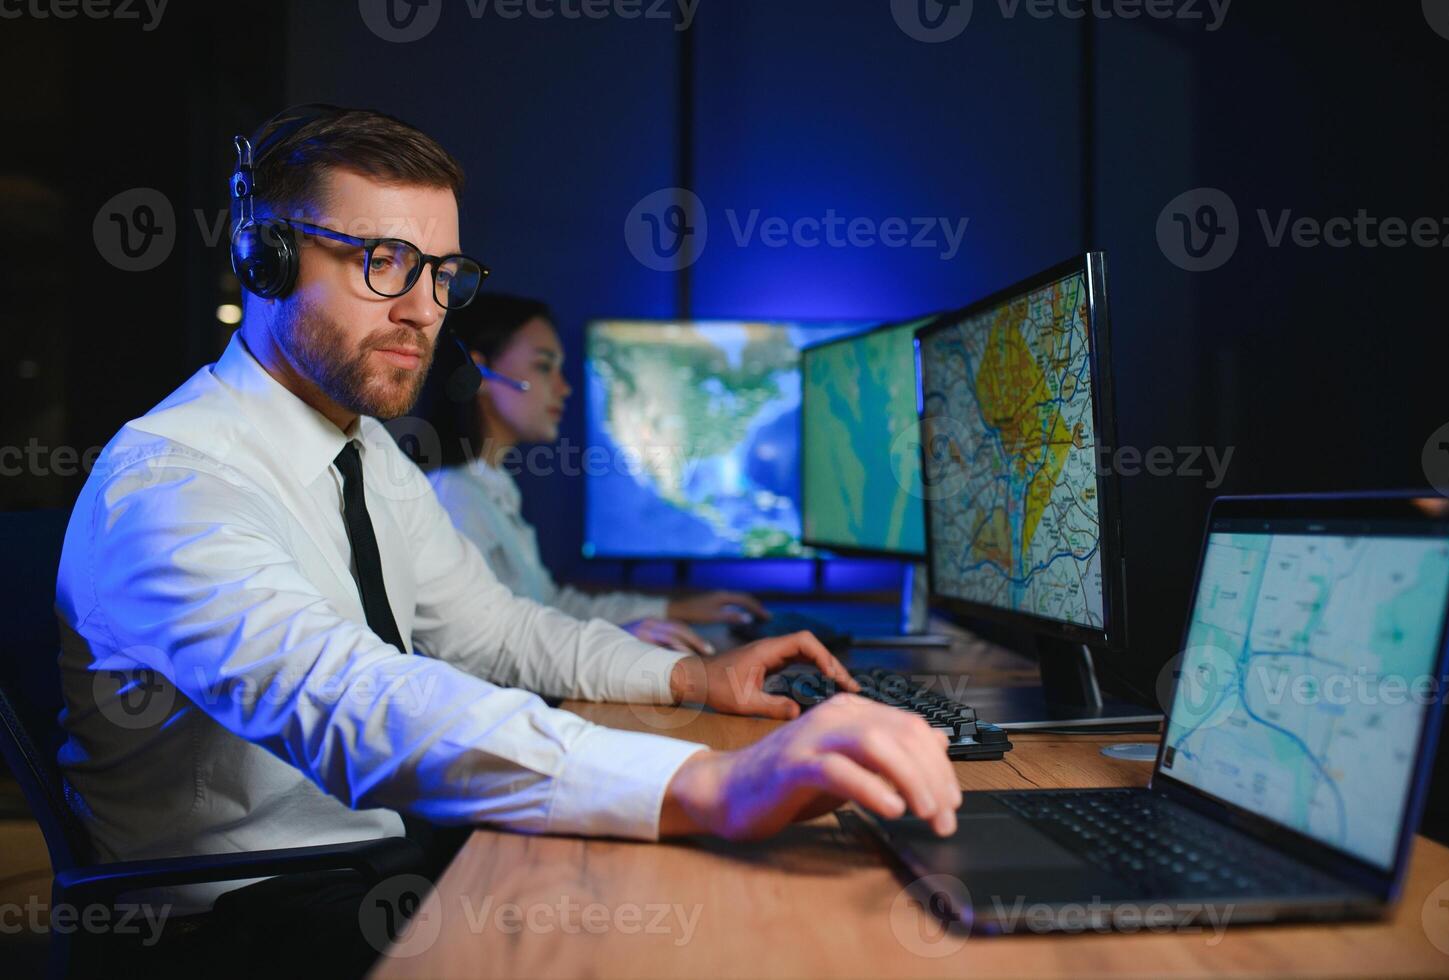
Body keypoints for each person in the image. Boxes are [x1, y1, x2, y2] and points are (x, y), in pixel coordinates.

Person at [54, 105, 959, 975]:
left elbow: (497, 631)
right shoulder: (171, 487)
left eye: (442, 273)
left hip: (374, 868)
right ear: (266, 260)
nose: (424, 309)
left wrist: (691, 677)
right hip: (239, 918)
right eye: (384, 262)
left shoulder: (364, 452)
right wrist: (705, 784)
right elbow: (351, 703)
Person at [411, 292, 766, 657]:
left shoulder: (491, 487)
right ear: (478, 374)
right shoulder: (455, 499)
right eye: (544, 367)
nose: (564, 388)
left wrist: (670, 610)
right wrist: (615, 643)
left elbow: (547, 605)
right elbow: (483, 648)